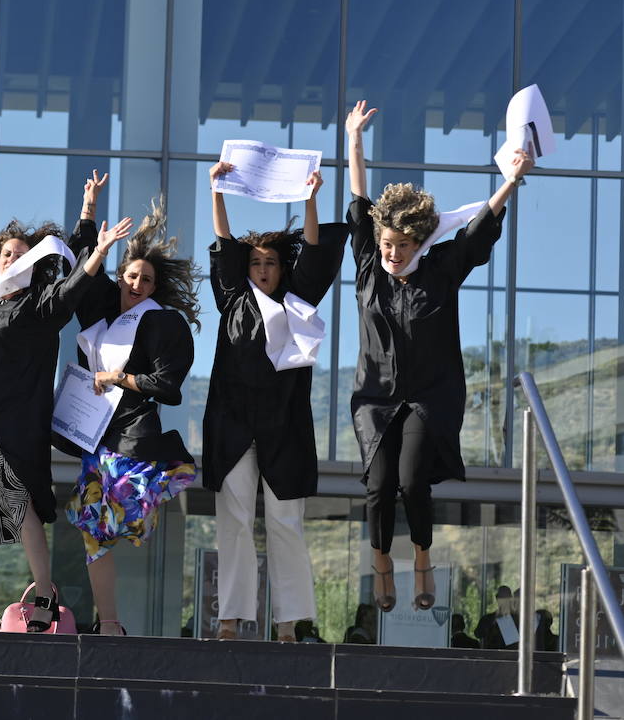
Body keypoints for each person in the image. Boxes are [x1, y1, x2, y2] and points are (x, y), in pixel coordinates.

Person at [347, 101, 534, 613]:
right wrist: (354, 138)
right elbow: (359, 195)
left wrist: (512, 181)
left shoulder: (440, 272)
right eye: (388, 242)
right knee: (379, 486)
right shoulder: (367, 267)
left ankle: (422, 558)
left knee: (411, 480)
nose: (393, 252)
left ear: (420, 243)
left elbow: (477, 233)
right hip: (374, 398)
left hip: (429, 396)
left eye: (405, 244)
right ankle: (382, 562)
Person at [0, 192, 130, 633]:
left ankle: (43, 592)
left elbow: (75, 287)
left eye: (20, 255)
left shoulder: (40, 304)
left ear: (33, 265)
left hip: (19, 420)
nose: (10, 258)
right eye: (5, 253)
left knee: (21, 507)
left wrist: (99, 247)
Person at [203, 163, 347, 642]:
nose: (262, 270)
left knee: (285, 522)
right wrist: (216, 189)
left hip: (284, 426)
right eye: (256, 263)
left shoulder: (298, 299)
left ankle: (287, 624)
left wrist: (309, 197)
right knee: (235, 520)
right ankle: (230, 619)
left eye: (270, 263)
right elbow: (223, 243)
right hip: (234, 423)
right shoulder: (232, 299)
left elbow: (314, 250)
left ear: (282, 268)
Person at [62, 175, 200, 636]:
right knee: (91, 533)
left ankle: (151, 498)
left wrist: (119, 377)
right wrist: (88, 208)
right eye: (132, 275)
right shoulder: (101, 310)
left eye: (147, 279)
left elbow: (168, 385)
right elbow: (84, 263)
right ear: (121, 276)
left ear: (154, 286)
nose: (138, 283)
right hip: (95, 436)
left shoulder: (161, 324)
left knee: (123, 515)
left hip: (133, 436)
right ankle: (110, 623)